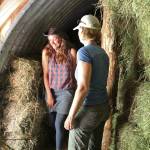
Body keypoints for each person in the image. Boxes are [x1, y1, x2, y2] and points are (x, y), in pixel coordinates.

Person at [64, 14, 110, 150]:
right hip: (102, 108)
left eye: (79, 30)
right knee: (93, 147)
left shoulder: (84, 52)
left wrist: (71, 116)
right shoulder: (103, 53)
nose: (78, 33)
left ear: (83, 31)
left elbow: (83, 87)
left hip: (90, 108)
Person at [42, 27, 76, 150]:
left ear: (61, 37)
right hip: (51, 92)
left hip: (67, 92)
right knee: (52, 124)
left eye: (55, 39)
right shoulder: (46, 52)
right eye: (50, 41)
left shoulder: (71, 52)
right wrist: (49, 94)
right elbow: (45, 74)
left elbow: (76, 75)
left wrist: (77, 96)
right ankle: (63, 142)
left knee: (59, 124)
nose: (53, 43)